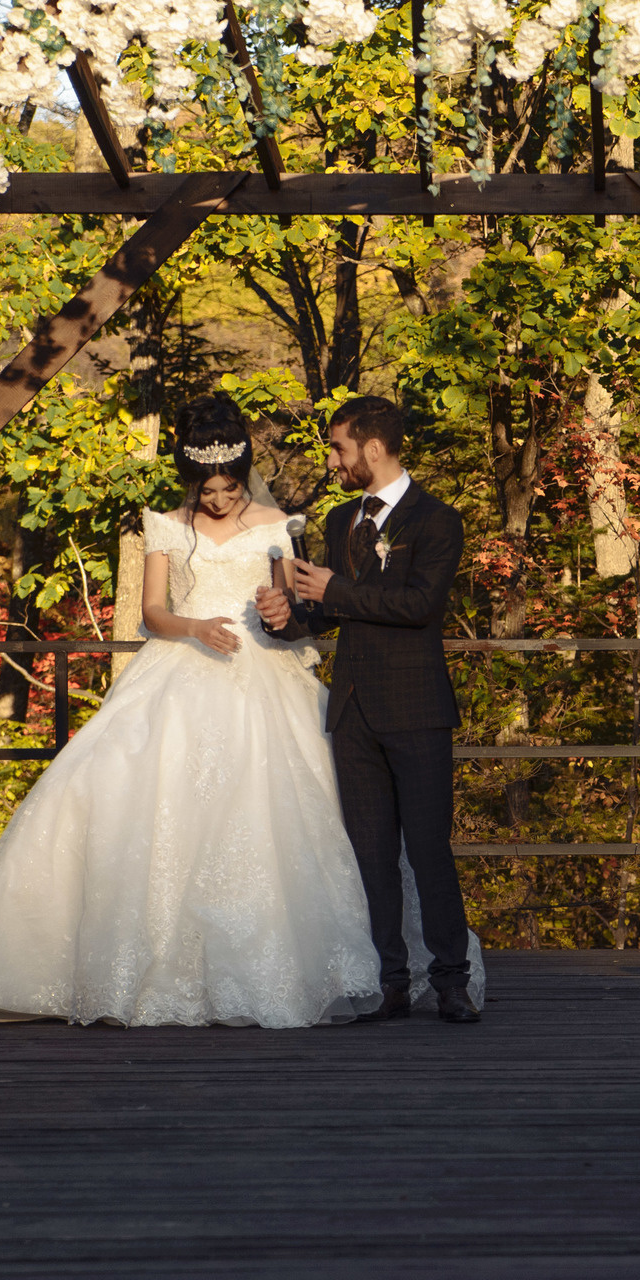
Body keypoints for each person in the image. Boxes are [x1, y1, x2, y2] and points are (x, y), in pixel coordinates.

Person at [0, 394, 472, 1027]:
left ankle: (446, 979)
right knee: (351, 845)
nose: (219, 500)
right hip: (244, 679)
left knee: (409, 843)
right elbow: (276, 614)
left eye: (230, 489)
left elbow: (397, 604)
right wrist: (263, 620)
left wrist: (295, 610)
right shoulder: (323, 520)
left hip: (362, 695)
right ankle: (385, 978)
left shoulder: (411, 521)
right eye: (209, 490)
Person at [256, 394, 483, 1025]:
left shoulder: (437, 521)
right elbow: (326, 614)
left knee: (429, 850)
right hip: (352, 710)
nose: (332, 461)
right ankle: (389, 980)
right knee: (371, 852)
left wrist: (337, 589)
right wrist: (285, 616)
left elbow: (419, 606)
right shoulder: (337, 521)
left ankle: (451, 982)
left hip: (416, 708)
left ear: (373, 449)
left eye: (339, 449)